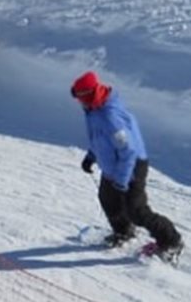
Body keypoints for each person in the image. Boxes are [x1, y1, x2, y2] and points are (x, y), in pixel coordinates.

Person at [71, 71, 183, 261]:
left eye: (80, 98)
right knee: (108, 200)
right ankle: (124, 232)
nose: (78, 103)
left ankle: (172, 241)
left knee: (137, 211)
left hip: (130, 168)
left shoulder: (110, 117)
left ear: (89, 95)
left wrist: (122, 180)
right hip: (112, 167)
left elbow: (128, 151)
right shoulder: (93, 110)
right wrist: (91, 156)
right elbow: (100, 139)